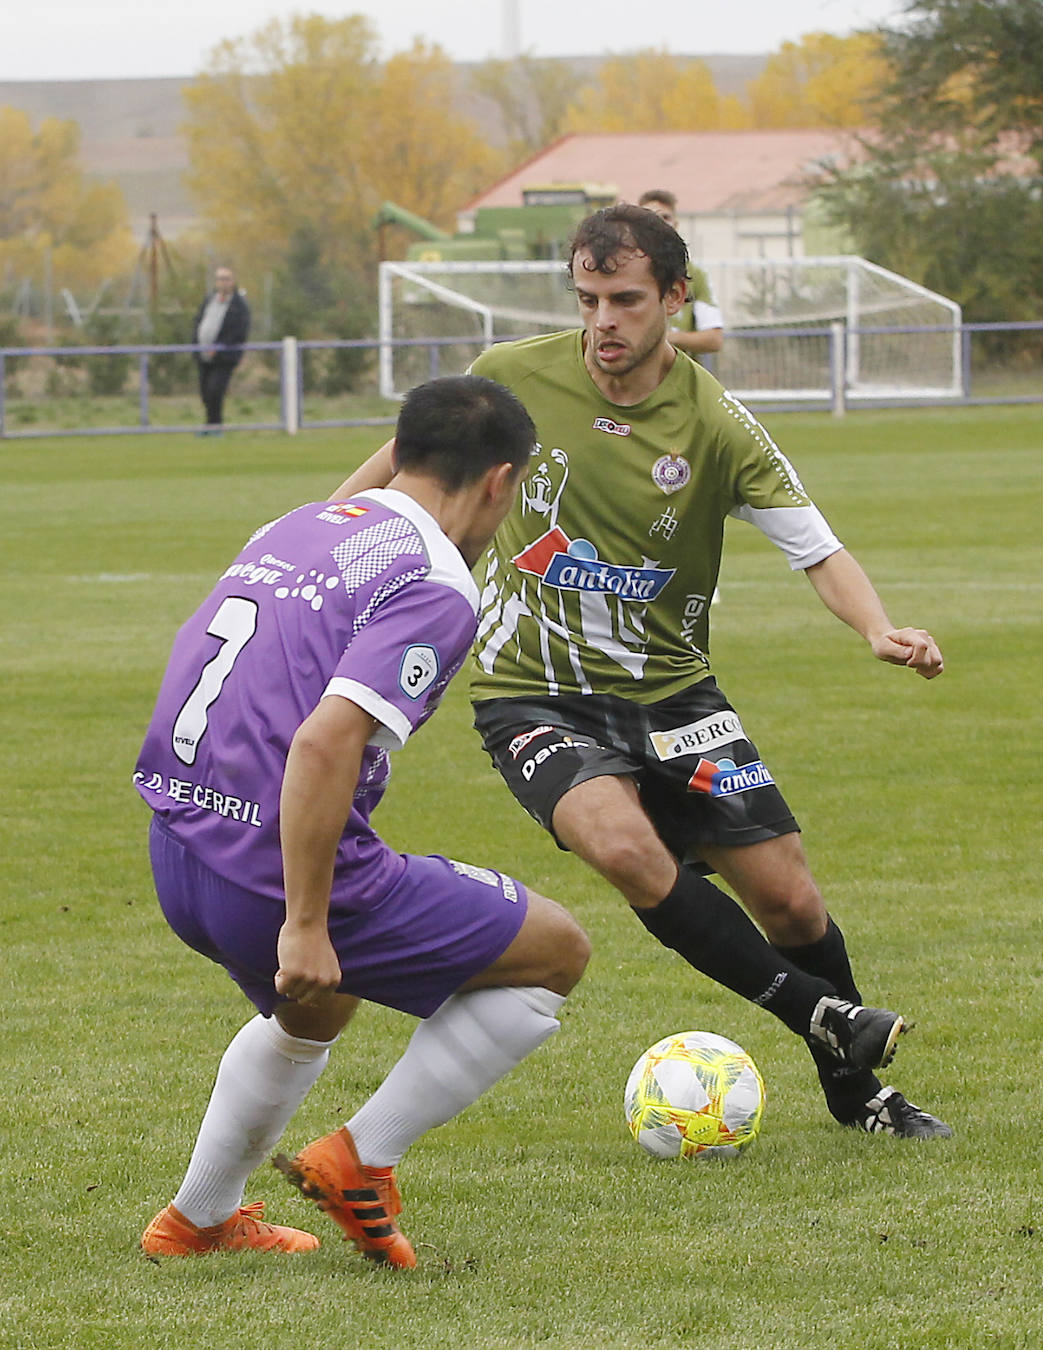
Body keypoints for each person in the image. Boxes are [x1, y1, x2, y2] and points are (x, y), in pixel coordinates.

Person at [332, 205, 951, 1141]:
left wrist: (875, 628)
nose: (601, 322)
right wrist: (309, 544)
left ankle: (849, 1080)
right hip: (530, 694)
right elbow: (394, 470)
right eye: (587, 299)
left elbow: (814, 547)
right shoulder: (509, 379)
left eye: (624, 300)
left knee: (787, 896)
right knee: (622, 849)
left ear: (673, 298)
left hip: (673, 692)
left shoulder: (714, 423)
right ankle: (827, 1025)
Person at [133, 375, 590, 1265]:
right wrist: (305, 922)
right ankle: (361, 1159)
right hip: (269, 869)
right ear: (498, 482)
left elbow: (376, 490)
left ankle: (199, 1220)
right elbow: (322, 747)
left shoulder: (303, 524)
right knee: (555, 952)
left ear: (402, 451)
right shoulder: (436, 585)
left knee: (321, 1005)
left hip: (178, 844)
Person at [637, 189, 723, 360]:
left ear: (675, 223)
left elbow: (714, 339)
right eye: (649, 218)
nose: (658, 224)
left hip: (677, 377)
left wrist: (665, 338)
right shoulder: (622, 270)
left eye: (665, 218)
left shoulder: (695, 275)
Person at [192, 265, 251, 436]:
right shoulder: (210, 300)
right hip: (203, 356)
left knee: (215, 390)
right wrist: (196, 344)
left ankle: (216, 427)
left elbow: (239, 331)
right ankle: (210, 425)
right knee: (205, 392)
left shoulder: (239, 305)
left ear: (233, 281)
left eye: (226, 279)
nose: (222, 282)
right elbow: (198, 321)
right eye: (219, 279)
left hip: (224, 357)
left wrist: (218, 347)